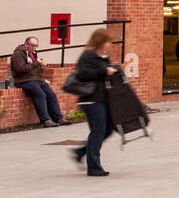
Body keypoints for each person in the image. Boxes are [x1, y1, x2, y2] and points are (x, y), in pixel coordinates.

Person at [70, 28, 117, 176]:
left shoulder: (102, 56)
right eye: (108, 41)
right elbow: (82, 75)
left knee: (108, 129)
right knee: (98, 131)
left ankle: (80, 152)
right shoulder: (88, 55)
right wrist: (104, 72)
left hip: (101, 99)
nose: (110, 44)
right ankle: (94, 168)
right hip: (90, 100)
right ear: (101, 41)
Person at [10, 36, 62, 127]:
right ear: (26, 44)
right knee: (40, 94)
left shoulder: (33, 53)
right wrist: (36, 63)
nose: (34, 48)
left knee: (51, 94)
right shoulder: (18, 54)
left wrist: (41, 70)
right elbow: (20, 69)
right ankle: (46, 120)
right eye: (32, 45)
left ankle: (58, 118)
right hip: (24, 80)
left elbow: (35, 69)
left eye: (36, 46)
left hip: (36, 79)